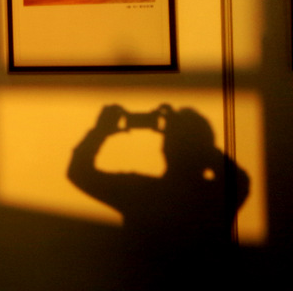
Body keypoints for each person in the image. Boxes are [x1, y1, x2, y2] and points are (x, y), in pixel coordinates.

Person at [68, 104, 249, 289]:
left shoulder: (141, 193)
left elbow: (79, 171)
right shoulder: (215, 197)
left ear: (165, 149)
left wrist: (100, 131)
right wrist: (197, 142)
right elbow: (240, 180)